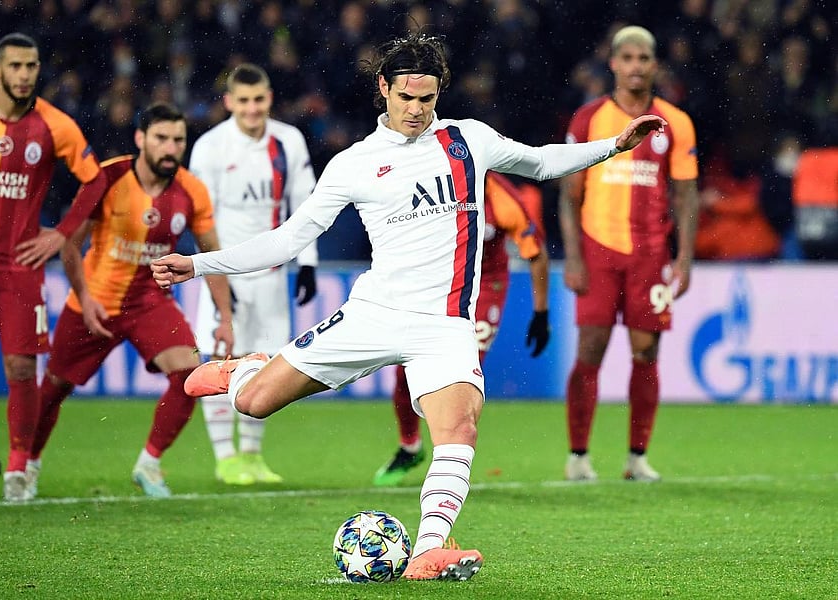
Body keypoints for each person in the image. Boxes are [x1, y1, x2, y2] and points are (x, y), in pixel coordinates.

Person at [151, 32, 666, 580]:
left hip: (443, 327)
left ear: (439, 92)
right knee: (254, 403)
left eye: (426, 99)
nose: (416, 110)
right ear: (384, 89)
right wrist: (200, 264)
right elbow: (287, 239)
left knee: (460, 430)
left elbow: (540, 162)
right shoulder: (355, 163)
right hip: (374, 313)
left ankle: (427, 550)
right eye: (405, 98)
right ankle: (244, 372)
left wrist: (615, 145)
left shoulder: (470, 140)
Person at [26, 102, 234, 498]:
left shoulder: (192, 190)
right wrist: (84, 298)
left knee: (190, 373)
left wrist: (225, 317)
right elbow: (69, 243)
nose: (170, 148)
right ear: (141, 139)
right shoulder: (106, 177)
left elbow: (211, 257)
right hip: (95, 302)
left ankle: (149, 464)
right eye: (161, 139)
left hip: (150, 302)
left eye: (178, 140)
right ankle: (29, 466)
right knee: (53, 387)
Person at [0, 33, 108, 502]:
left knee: (19, 366)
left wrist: (62, 233)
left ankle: (17, 468)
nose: (24, 75)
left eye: (31, 66)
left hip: (20, 267)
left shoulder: (55, 125)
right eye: (15, 66)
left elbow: (94, 182)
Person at [557, 26, 699, 482]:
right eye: (628, 58)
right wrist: (574, 257)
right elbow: (568, 195)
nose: (636, 66)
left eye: (644, 58)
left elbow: (686, 195)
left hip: (650, 255)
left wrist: (684, 258)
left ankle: (636, 457)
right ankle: (578, 455)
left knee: (646, 353)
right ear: (614, 64)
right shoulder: (589, 120)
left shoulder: (675, 122)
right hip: (598, 250)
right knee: (590, 350)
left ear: (654, 65)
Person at [373, 171, 551, 486]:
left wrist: (541, 313)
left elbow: (536, 253)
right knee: (404, 372)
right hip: (437, 285)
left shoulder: (504, 198)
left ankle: (450, 459)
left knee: (462, 374)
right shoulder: (430, 184)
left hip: (485, 287)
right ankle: (410, 446)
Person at [188, 63, 318, 486]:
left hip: (272, 276)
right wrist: (218, 279)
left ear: (270, 98)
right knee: (220, 358)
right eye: (243, 101)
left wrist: (309, 264)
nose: (251, 109)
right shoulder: (209, 147)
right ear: (229, 102)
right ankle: (225, 457)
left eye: (258, 99)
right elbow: (201, 220)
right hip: (226, 272)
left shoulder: (289, 141)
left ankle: (252, 455)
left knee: (267, 363)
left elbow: (306, 205)